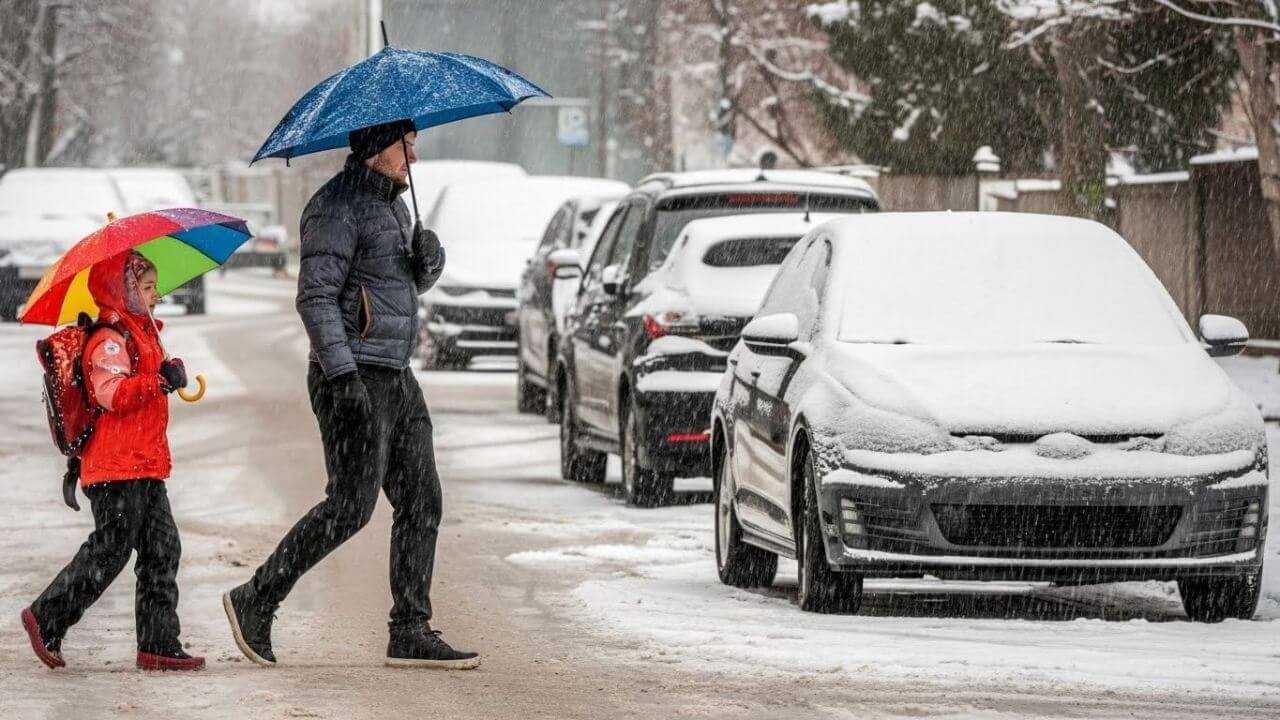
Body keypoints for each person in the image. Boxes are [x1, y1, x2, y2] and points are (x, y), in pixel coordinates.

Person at [223, 120, 478, 669]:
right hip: (354, 377)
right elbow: (315, 299)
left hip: (397, 374)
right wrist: (342, 379)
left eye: (413, 143)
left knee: (422, 500)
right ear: (372, 149)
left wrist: (427, 262)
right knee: (349, 508)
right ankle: (256, 599)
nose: (414, 153)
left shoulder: (394, 205)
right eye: (403, 144)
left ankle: (409, 627)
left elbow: (396, 286)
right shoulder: (334, 208)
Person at [21, 251, 204, 672]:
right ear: (123, 290)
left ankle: (158, 643)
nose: (156, 294)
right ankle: (47, 616)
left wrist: (165, 371)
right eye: (147, 286)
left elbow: (141, 386)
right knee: (111, 549)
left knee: (163, 548)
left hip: (143, 462)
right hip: (116, 467)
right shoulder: (109, 338)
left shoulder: (141, 332)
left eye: (155, 286)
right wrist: (158, 380)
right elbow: (112, 394)